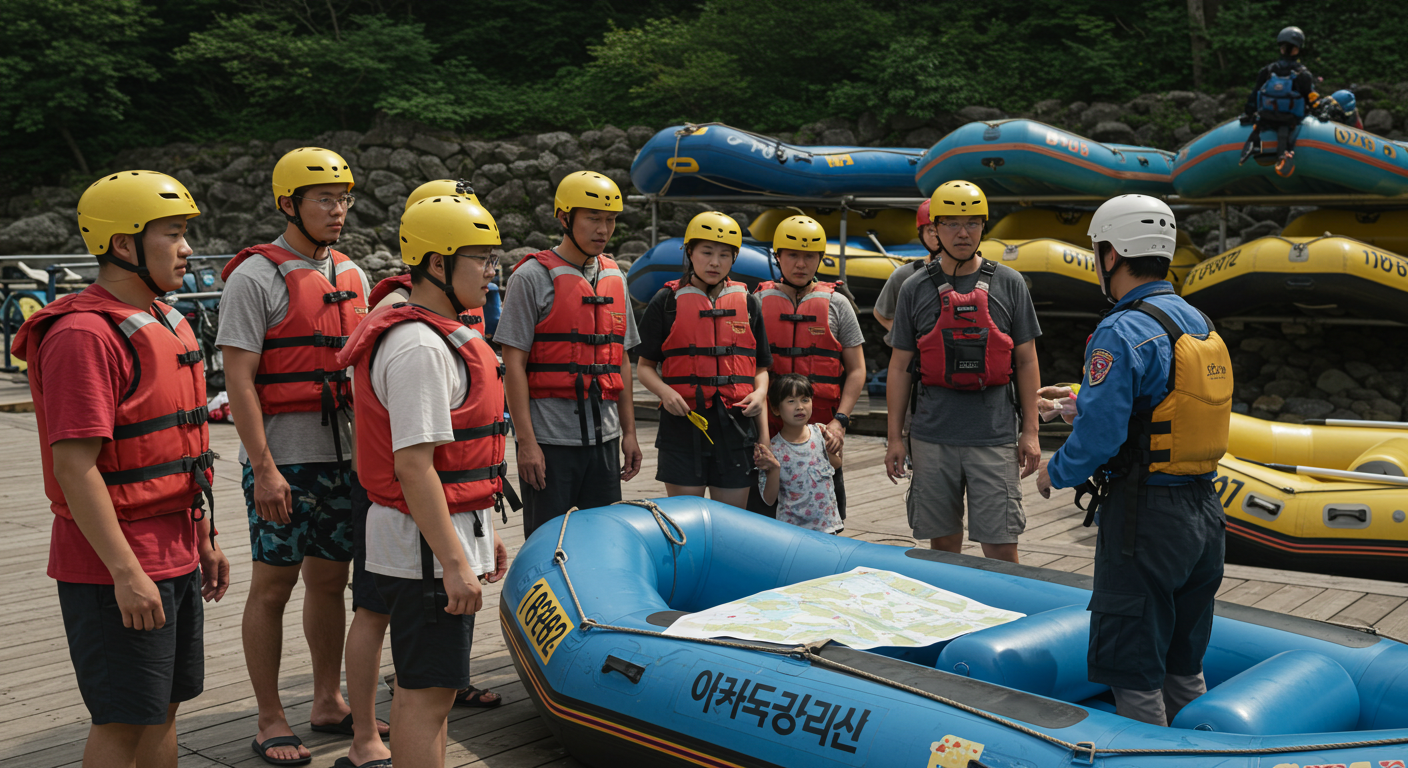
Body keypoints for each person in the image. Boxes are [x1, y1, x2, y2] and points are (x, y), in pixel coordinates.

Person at [14, 170, 229, 767]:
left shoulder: (167, 318)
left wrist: (205, 538)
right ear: (123, 244)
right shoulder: (83, 336)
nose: (187, 249)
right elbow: (74, 467)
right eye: (173, 234)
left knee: (162, 706)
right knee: (121, 720)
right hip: (118, 566)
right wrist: (125, 573)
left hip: (176, 548)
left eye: (186, 233)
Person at [1036, 194, 1233, 727]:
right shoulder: (1196, 321)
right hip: (1204, 516)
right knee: (1182, 660)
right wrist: (1072, 403)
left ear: (1111, 255)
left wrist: (1055, 471)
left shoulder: (1120, 329)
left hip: (1147, 520)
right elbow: (1158, 402)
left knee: (1134, 665)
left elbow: (1103, 434)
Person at [338, 193, 511, 768]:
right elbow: (414, 466)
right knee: (425, 697)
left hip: (423, 541)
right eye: (481, 259)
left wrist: (478, 532)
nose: (491, 272)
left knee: (430, 695)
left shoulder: (431, 332)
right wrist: (456, 561)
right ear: (438, 263)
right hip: (423, 552)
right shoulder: (419, 346)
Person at [216, 147, 376, 765]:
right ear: (289, 204)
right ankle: (268, 714)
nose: (338, 211)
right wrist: (263, 468)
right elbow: (239, 381)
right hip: (283, 460)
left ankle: (327, 699)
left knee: (330, 581)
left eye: (344, 199)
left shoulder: (355, 276)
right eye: (323, 199)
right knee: (273, 586)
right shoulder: (254, 278)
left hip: (343, 460)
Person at [883, 181, 1042, 563]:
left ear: (983, 227)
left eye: (971, 223)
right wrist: (894, 438)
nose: (962, 233)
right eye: (951, 223)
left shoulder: (1010, 283)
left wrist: (1032, 432)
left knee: (1002, 547)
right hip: (932, 436)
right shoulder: (914, 287)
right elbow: (901, 365)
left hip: (994, 435)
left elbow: (1026, 360)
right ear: (934, 229)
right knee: (943, 547)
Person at [497, 171, 642, 538]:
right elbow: (513, 364)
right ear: (564, 218)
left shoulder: (616, 276)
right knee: (547, 544)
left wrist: (629, 433)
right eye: (593, 218)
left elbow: (621, 360)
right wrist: (526, 444)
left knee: (602, 544)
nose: (603, 229)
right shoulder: (530, 277)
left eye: (610, 219)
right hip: (550, 444)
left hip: (605, 441)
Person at [635, 211, 772, 508]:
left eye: (725, 255)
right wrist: (665, 392)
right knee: (687, 521)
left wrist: (760, 393)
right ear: (689, 253)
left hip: (736, 428)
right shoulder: (666, 302)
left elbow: (760, 367)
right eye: (707, 252)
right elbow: (644, 367)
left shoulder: (749, 303)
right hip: (682, 426)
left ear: (734, 259)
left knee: (730, 526)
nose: (714, 262)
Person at [749, 215, 865, 518]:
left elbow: (856, 369)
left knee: (829, 515)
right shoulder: (757, 301)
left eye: (809, 256)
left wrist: (840, 421)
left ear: (819, 259)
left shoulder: (838, 304)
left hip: (821, 433)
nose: (801, 264)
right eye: (792, 255)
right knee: (764, 516)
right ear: (778, 257)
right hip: (770, 433)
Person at [755, 374, 844, 534]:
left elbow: (836, 465)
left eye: (805, 400)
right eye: (791, 401)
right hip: (792, 531)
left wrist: (834, 448)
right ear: (775, 409)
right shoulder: (773, 449)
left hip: (827, 525)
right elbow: (768, 499)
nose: (799, 407)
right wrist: (774, 469)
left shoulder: (820, 432)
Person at [1240, 26, 1318, 175]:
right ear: (1297, 49)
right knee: (1286, 127)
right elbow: (1310, 98)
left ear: (1281, 48)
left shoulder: (1268, 70)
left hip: (1266, 118)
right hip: (1290, 121)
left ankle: (1252, 146)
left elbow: (1254, 96)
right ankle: (1284, 156)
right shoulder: (1303, 74)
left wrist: (1248, 113)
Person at [873, 199, 941, 346]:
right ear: (920, 233)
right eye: (930, 230)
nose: (936, 235)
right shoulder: (906, 274)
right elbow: (881, 312)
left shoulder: (979, 272)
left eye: (941, 228)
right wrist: (905, 337)